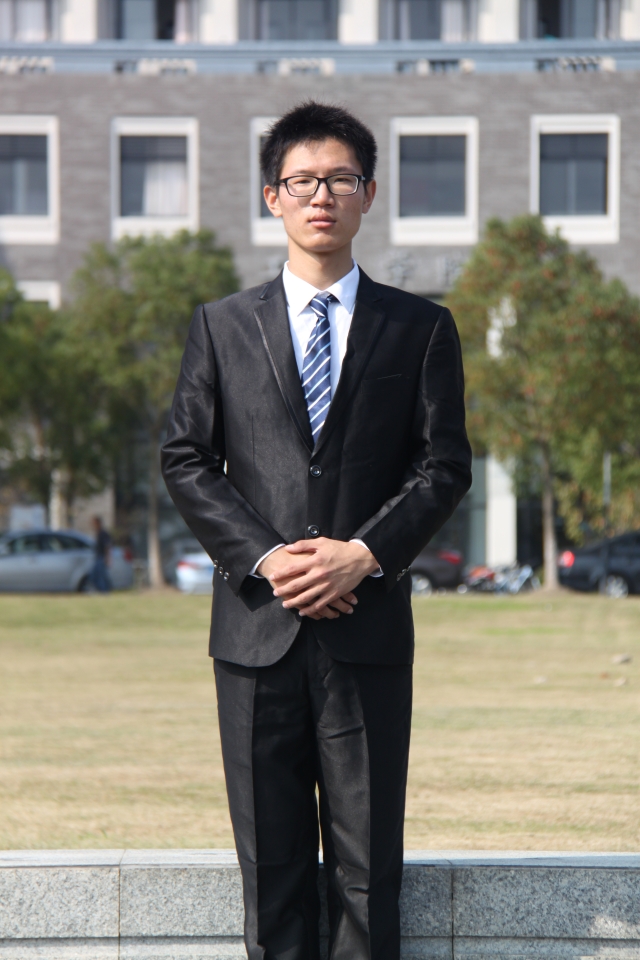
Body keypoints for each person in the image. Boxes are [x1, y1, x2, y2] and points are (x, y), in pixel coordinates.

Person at [161, 101, 472, 960]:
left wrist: (361, 556)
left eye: (340, 179)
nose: (321, 196)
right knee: (272, 870)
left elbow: (443, 466)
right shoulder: (221, 325)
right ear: (273, 197)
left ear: (369, 192)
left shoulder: (421, 327)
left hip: (367, 632)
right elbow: (186, 458)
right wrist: (269, 559)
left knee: (369, 874)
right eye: (302, 181)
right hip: (255, 635)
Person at [91, 516, 112, 593]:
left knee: (101, 576)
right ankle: (104, 590)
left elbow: (107, 546)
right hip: (98, 557)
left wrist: (107, 558)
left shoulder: (103, 533)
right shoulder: (98, 533)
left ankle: (105, 591)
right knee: (95, 576)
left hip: (101, 558)